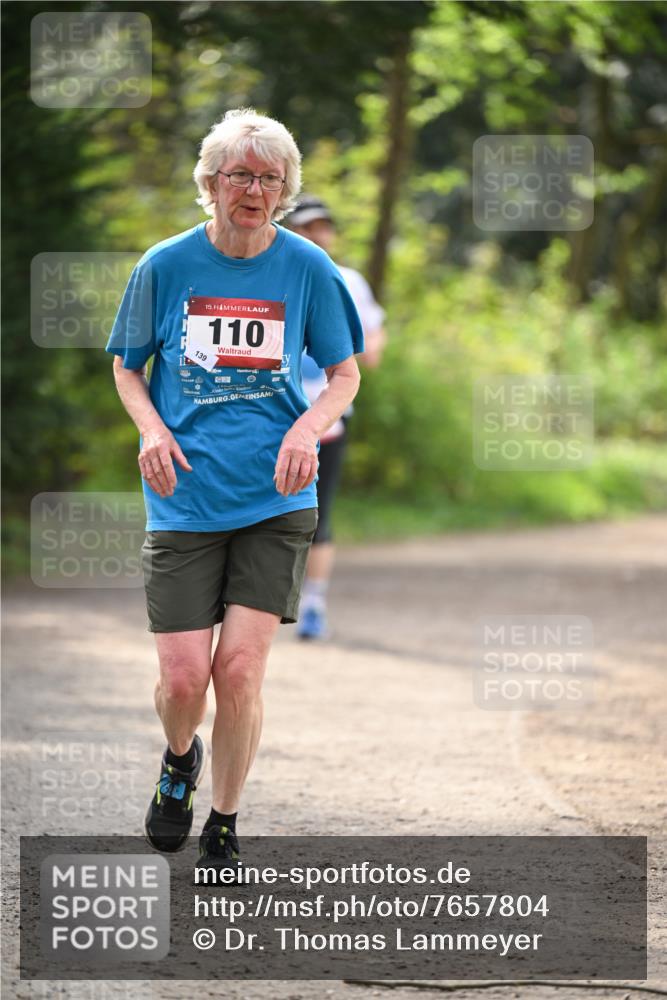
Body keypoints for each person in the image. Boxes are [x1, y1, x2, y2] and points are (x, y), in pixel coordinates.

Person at [106, 109, 363, 872]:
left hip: (276, 496)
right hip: (183, 493)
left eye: (269, 177)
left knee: (240, 670)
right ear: (211, 183)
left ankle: (224, 820)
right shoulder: (165, 265)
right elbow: (126, 365)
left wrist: (304, 430)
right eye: (240, 174)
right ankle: (179, 760)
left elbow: (343, 374)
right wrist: (152, 430)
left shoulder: (307, 268)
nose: (254, 189)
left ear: (284, 190)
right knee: (183, 679)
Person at [286, 196, 386, 640]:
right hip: (270, 414)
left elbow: (371, 344)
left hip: (329, 416)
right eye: (309, 227)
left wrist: (355, 342)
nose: (317, 235)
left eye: (323, 227)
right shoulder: (271, 274)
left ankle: (313, 605)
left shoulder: (347, 280)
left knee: (318, 515)